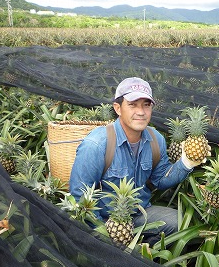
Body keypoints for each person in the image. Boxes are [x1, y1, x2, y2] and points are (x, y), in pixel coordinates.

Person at [69, 77, 208, 245]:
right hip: (105, 219)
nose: (141, 112)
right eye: (133, 104)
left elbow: (161, 180)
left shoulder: (156, 139)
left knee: (180, 223)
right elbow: (79, 194)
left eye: (146, 105)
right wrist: (104, 231)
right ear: (118, 108)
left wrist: (187, 162)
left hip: (139, 214)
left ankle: (142, 251)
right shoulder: (97, 144)